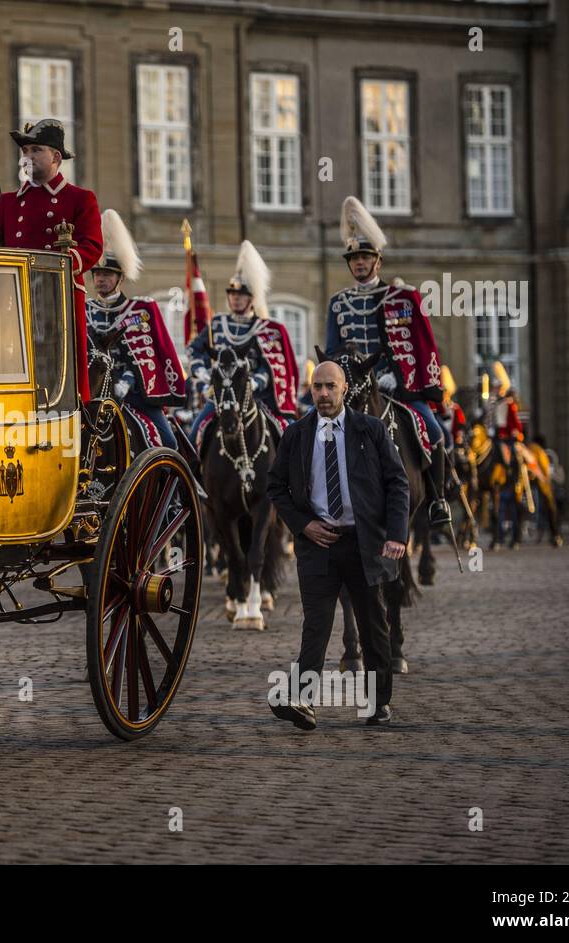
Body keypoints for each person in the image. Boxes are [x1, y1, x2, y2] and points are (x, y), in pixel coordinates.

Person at [265, 360, 409, 729]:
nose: (324, 394)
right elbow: (275, 488)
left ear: (345, 388)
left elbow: (397, 482)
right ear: (310, 390)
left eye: (331, 386)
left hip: (364, 544)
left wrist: (396, 534)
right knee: (316, 624)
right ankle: (303, 701)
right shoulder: (296, 434)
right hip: (318, 545)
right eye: (317, 387)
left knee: (373, 625)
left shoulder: (371, 430)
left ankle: (377, 703)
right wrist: (303, 525)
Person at [326, 196, 447, 526]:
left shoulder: (401, 297)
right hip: (352, 390)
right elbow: (333, 352)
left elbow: (420, 344)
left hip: (396, 387)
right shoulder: (338, 304)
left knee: (435, 432)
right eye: (354, 258)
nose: (360, 263)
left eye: (365, 257)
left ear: (378, 262)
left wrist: (398, 375)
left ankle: (438, 501)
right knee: (312, 432)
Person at [0, 119, 102, 401]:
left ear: (55, 157)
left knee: (57, 362)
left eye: (35, 150)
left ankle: (68, 413)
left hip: (57, 296)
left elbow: (92, 246)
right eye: (25, 151)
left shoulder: (79, 198)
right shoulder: (10, 202)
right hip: (14, 296)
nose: (27, 156)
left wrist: (67, 261)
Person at [85, 210, 184, 448]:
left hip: (136, 396)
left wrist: (127, 381)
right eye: (97, 274)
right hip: (93, 396)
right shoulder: (84, 310)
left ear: (120, 278)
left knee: (169, 443)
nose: (100, 279)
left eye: (107, 274)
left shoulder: (140, 311)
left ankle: (178, 484)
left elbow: (153, 353)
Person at [187, 241, 299, 446]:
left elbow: (273, 367)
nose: (236, 299)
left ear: (252, 298)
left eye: (241, 295)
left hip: (257, 397)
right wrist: (203, 374)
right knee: (194, 433)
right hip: (221, 396)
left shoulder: (267, 329)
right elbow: (194, 350)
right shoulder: (218, 324)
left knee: (289, 433)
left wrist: (255, 382)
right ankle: (191, 475)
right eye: (233, 295)